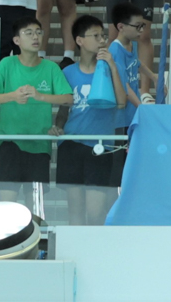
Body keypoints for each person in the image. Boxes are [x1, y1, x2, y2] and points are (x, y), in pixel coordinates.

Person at [0, 16, 72, 200]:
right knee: (7, 204)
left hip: (39, 144)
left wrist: (41, 96)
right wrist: (13, 96)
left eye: (39, 32)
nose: (35, 37)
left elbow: (68, 99)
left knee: (35, 206)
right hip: (10, 143)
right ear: (17, 40)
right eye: (29, 33)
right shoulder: (7, 64)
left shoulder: (51, 68)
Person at [53, 13, 125, 225]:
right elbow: (64, 110)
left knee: (95, 211)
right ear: (80, 40)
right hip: (71, 144)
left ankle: (95, 245)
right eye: (96, 36)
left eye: (103, 36)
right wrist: (58, 126)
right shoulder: (68, 72)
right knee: (75, 209)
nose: (102, 40)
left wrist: (112, 66)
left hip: (100, 145)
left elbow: (121, 102)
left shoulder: (110, 68)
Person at [108, 2, 150, 175]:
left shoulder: (132, 44)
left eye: (143, 26)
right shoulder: (115, 50)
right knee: (121, 165)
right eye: (137, 26)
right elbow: (124, 86)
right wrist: (141, 107)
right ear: (121, 27)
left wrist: (154, 77)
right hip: (121, 117)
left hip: (132, 111)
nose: (141, 30)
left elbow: (136, 63)